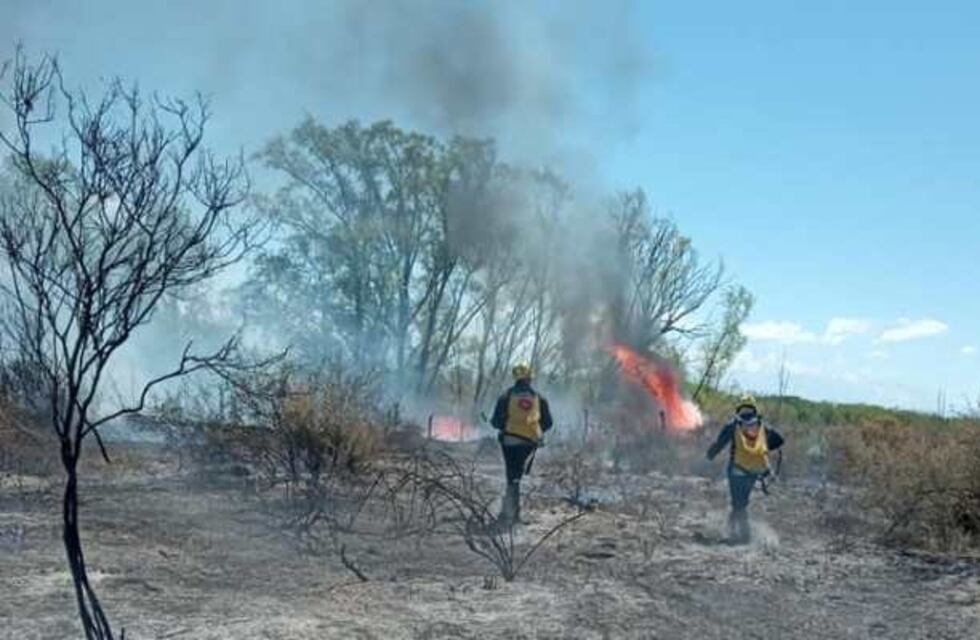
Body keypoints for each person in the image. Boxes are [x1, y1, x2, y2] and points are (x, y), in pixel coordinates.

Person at [706, 395, 784, 544]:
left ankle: (744, 535)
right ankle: (732, 528)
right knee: (742, 502)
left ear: (739, 408)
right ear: (754, 408)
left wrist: (709, 455)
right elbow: (780, 440)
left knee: (738, 503)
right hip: (755, 472)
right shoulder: (761, 426)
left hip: (737, 470)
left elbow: (719, 443)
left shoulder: (734, 424)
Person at [490, 363, 553, 527]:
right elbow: (548, 422)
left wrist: (504, 426)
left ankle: (510, 514)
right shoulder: (539, 397)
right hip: (530, 442)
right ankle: (511, 513)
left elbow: (496, 421)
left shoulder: (506, 396)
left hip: (509, 441)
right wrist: (534, 432)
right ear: (530, 378)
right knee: (516, 477)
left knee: (512, 477)